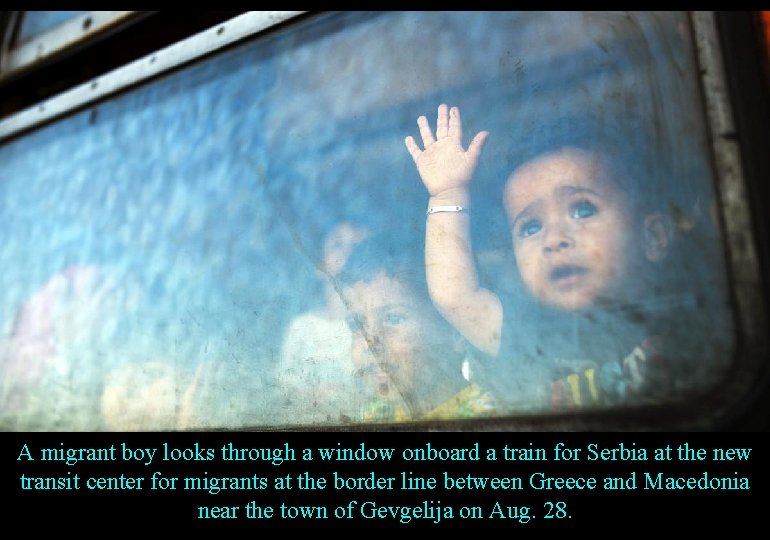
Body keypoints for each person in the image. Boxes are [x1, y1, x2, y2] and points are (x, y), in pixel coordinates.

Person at [404, 103, 687, 411]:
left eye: (583, 210)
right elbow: (455, 296)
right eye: (531, 227)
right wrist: (448, 194)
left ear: (654, 237)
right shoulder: (528, 334)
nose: (553, 240)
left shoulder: (688, 319)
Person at [336, 234, 497, 423]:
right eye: (357, 324)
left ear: (456, 332)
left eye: (393, 318)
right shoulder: (375, 415)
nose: (369, 343)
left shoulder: (486, 419)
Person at [275, 221, 370, 425]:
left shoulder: (372, 327)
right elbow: (285, 392)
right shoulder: (302, 328)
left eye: (357, 246)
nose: (348, 253)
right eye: (337, 245)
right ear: (319, 265)